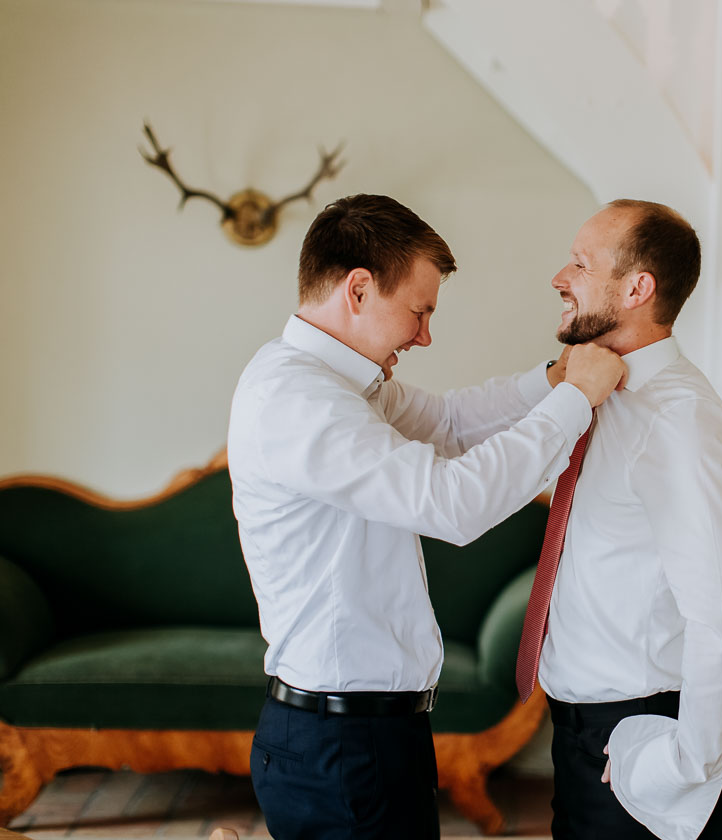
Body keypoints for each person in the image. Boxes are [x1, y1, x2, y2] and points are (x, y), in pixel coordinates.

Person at [226, 193, 625, 840]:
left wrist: (555, 380)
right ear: (358, 290)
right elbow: (452, 504)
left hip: (368, 736)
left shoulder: (343, 387)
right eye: (418, 310)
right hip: (342, 747)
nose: (425, 335)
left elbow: (449, 422)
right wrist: (577, 399)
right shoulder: (298, 401)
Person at [516, 199, 722, 840]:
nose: (558, 277)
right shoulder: (601, 396)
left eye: (580, 262)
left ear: (636, 289)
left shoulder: (681, 424)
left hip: (641, 747)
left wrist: (683, 761)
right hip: (580, 742)